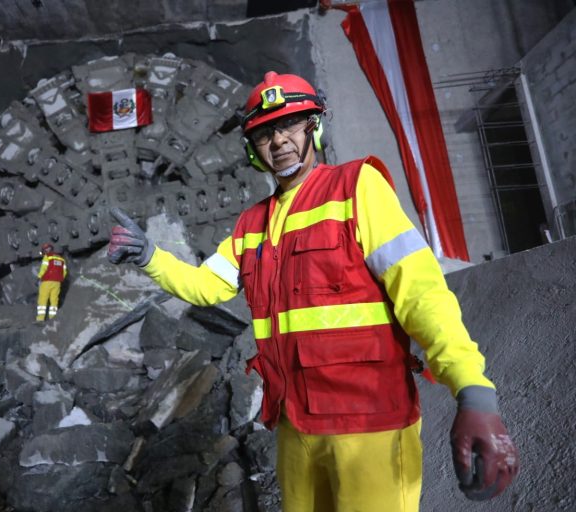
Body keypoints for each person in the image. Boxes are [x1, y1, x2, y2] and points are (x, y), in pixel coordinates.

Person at [107, 71, 519, 511]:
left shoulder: (357, 188)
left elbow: (422, 295)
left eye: (289, 125)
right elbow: (206, 286)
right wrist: (151, 255)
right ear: (253, 150)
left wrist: (473, 391)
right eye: (265, 133)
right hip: (295, 428)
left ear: (314, 127)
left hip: (369, 425)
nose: (279, 141)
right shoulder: (252, 226)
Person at [36, 242, 67, 321]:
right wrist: (60, 279)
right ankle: (52, 318)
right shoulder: (61, 258)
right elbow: (64, 272)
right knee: (54, 300)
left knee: (43, 299)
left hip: (47, 281)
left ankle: (40, 319)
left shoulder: (47, 257)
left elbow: (44, 268)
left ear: (45, 250)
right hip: (57, 283)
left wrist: (39, 277)